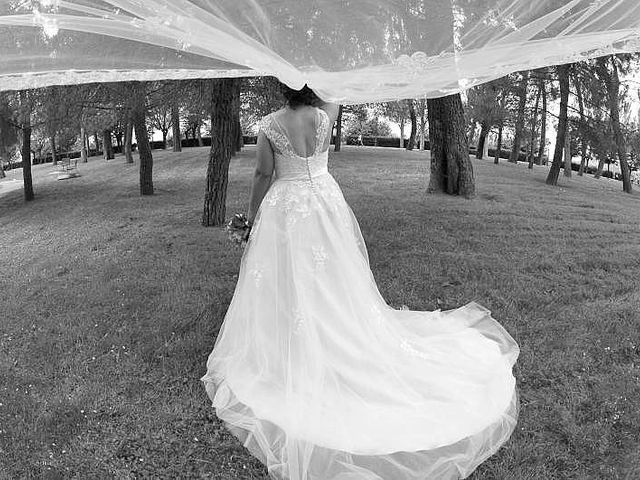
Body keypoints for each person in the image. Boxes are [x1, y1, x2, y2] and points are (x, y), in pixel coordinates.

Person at [201, 83, 519, 480]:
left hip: (287, 207)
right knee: (334, 277)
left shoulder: (269, 125)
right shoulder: (324, 118)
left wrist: (251, 217)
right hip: (324, 202)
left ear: (281, 85)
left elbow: (264, 172)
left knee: (291, 276)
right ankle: (332, 329)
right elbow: (324, 130)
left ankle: (294, 344)